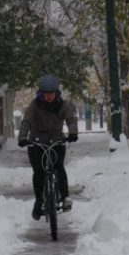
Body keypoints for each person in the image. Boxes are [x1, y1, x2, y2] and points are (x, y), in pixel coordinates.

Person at [18, 74, 78, 220]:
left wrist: (73, 133)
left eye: (52, 94)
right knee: (38, 172)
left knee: (59, 168)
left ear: (56, 93)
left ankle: (65, 199)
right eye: (47, 94)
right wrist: (23, 138)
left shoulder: (62, 105)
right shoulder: (35, 105)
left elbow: (70, 119)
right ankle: (39, 201)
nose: (50, 97)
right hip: (37, 143)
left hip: (56, 142)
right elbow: (26, 121)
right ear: (41, 93)